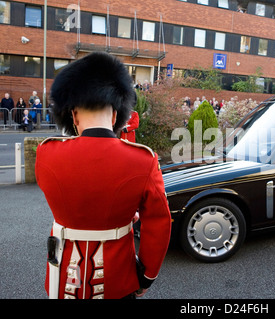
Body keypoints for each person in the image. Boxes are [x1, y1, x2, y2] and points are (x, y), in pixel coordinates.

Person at [35, 52, 171, 299]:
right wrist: (146, 276)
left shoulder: (46, 153)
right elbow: (159, 224)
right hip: (118, 280)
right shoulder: (143, 159)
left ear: (73, 115)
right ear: (116, 114)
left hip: (62, 280)